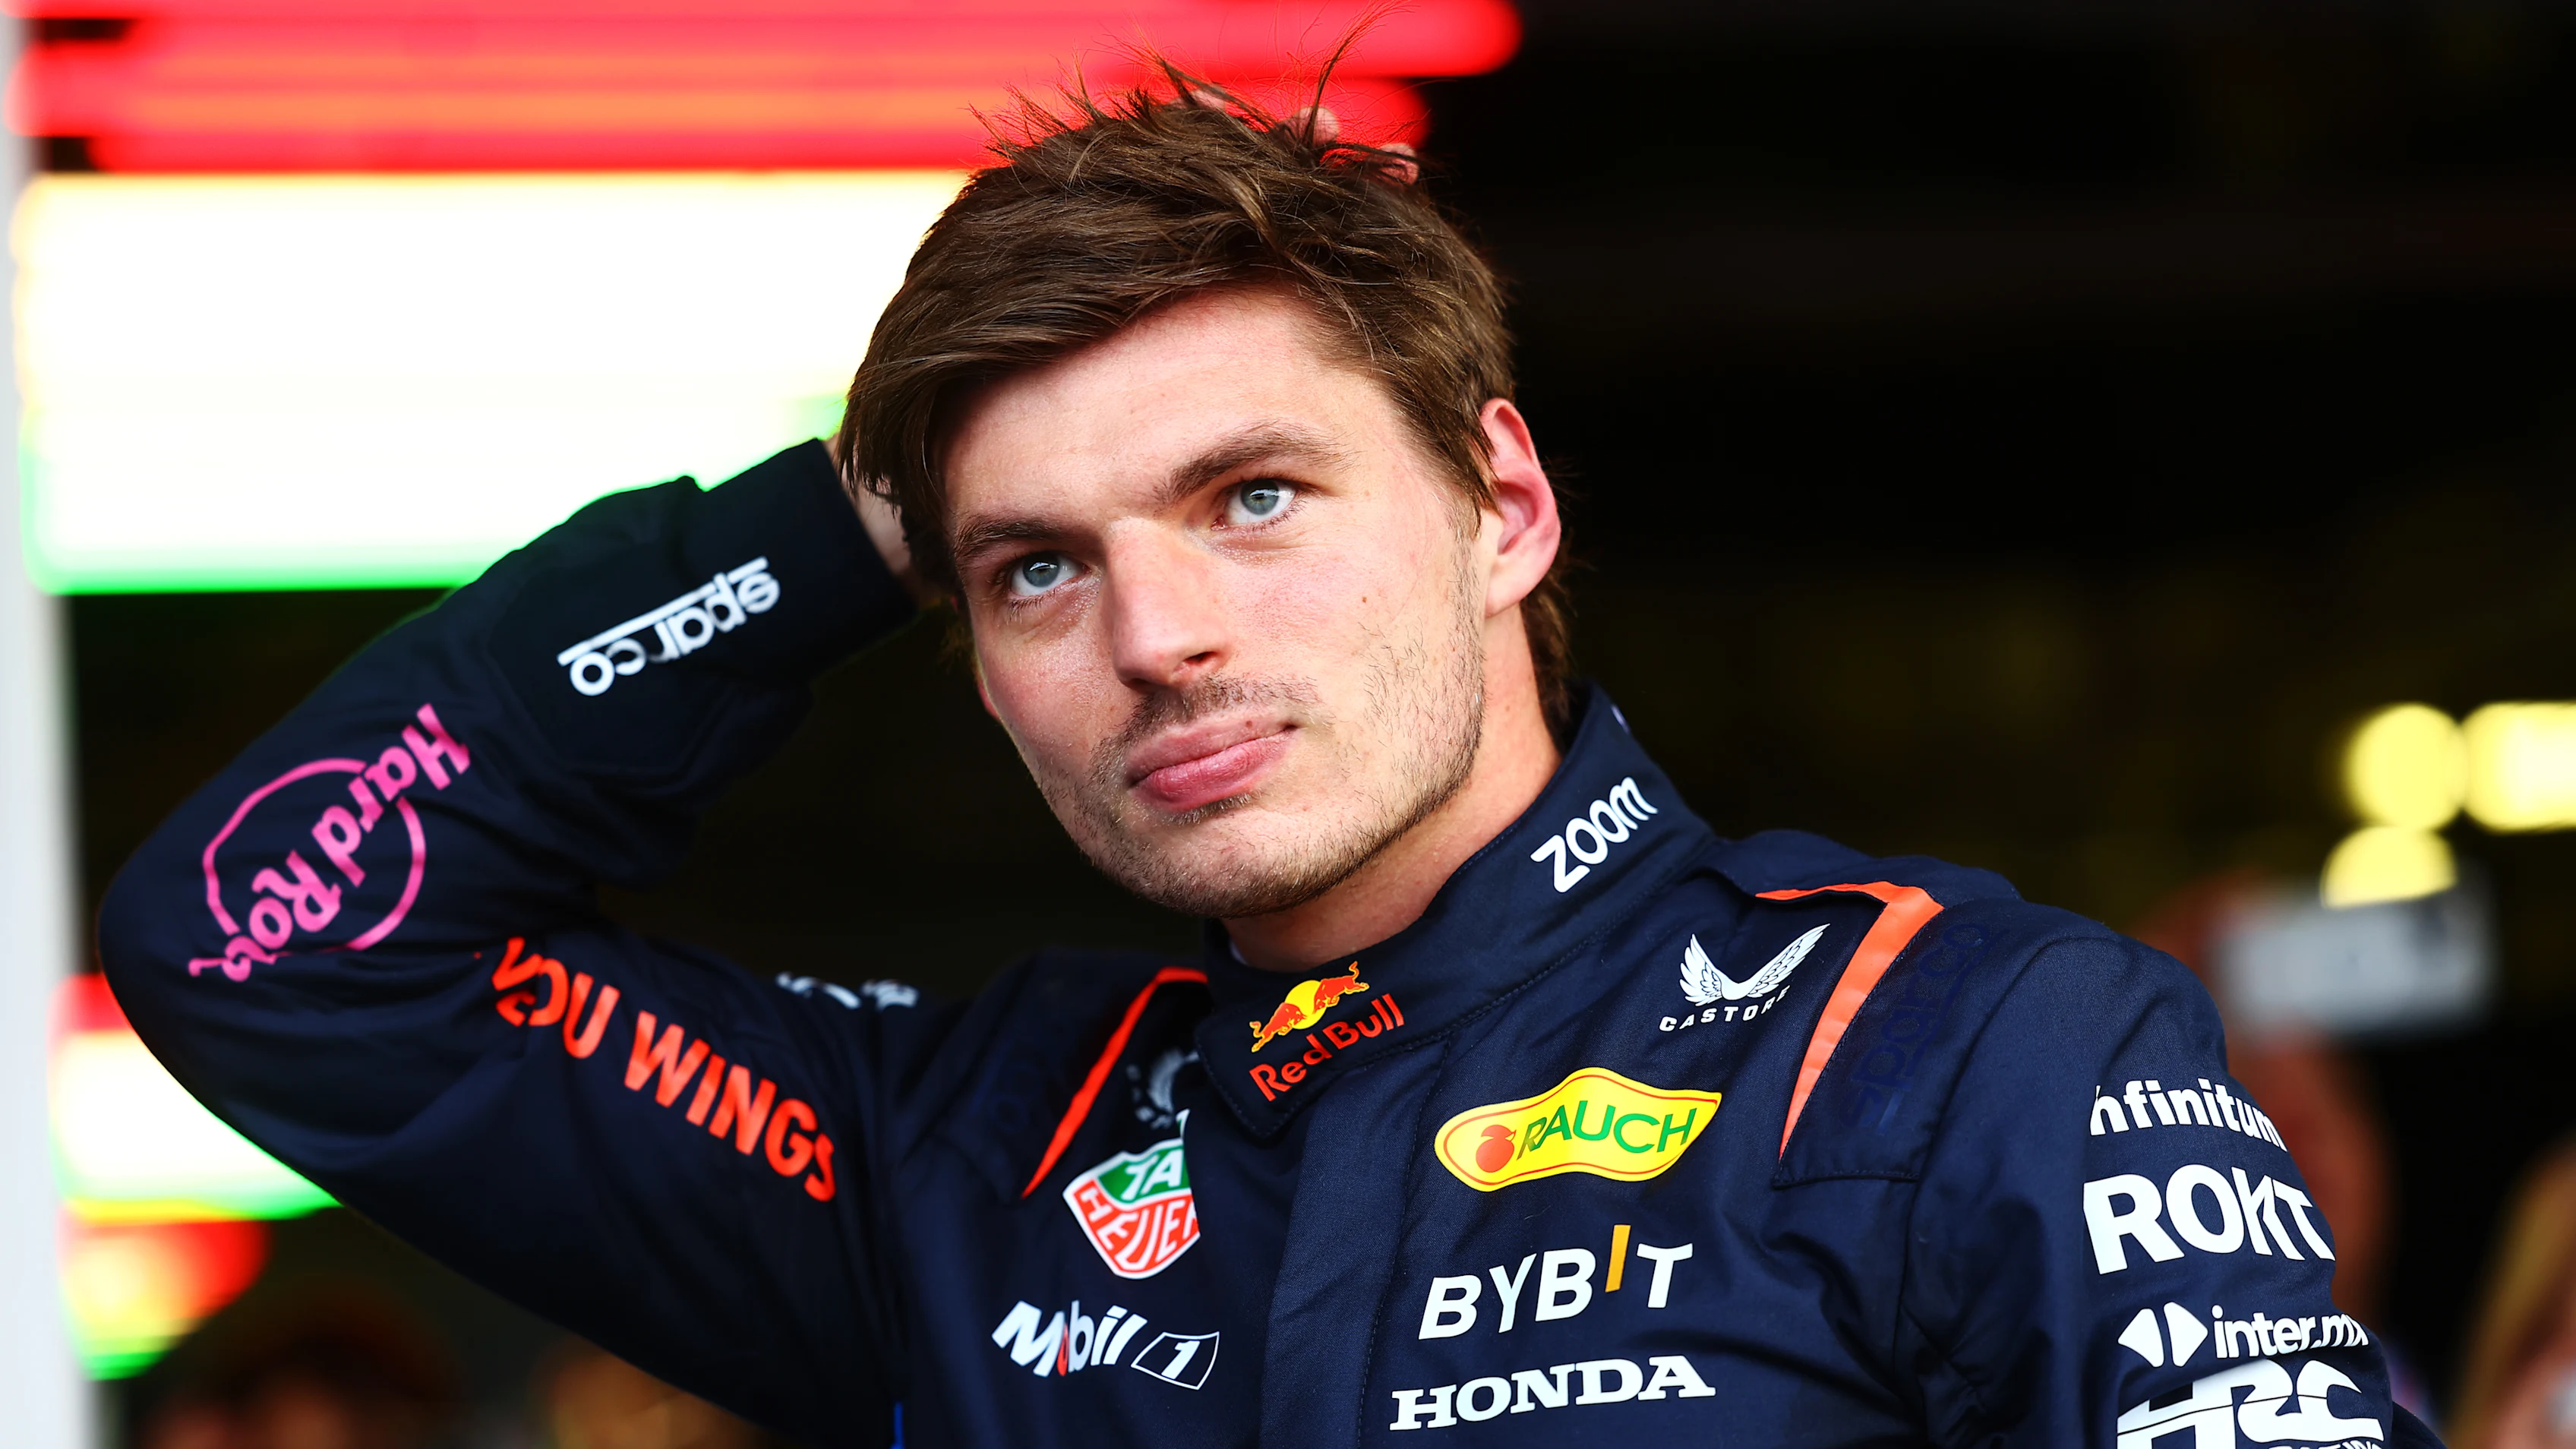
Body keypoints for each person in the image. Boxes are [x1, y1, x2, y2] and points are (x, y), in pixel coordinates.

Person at [99, 66, 2442, 1449]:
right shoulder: (955, 1158)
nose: (1158, 633)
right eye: (1031, 567)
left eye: (1253, 495)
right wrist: (837, 525)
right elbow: (266, 939)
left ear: (1503, 505)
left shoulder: (1955, 1049)